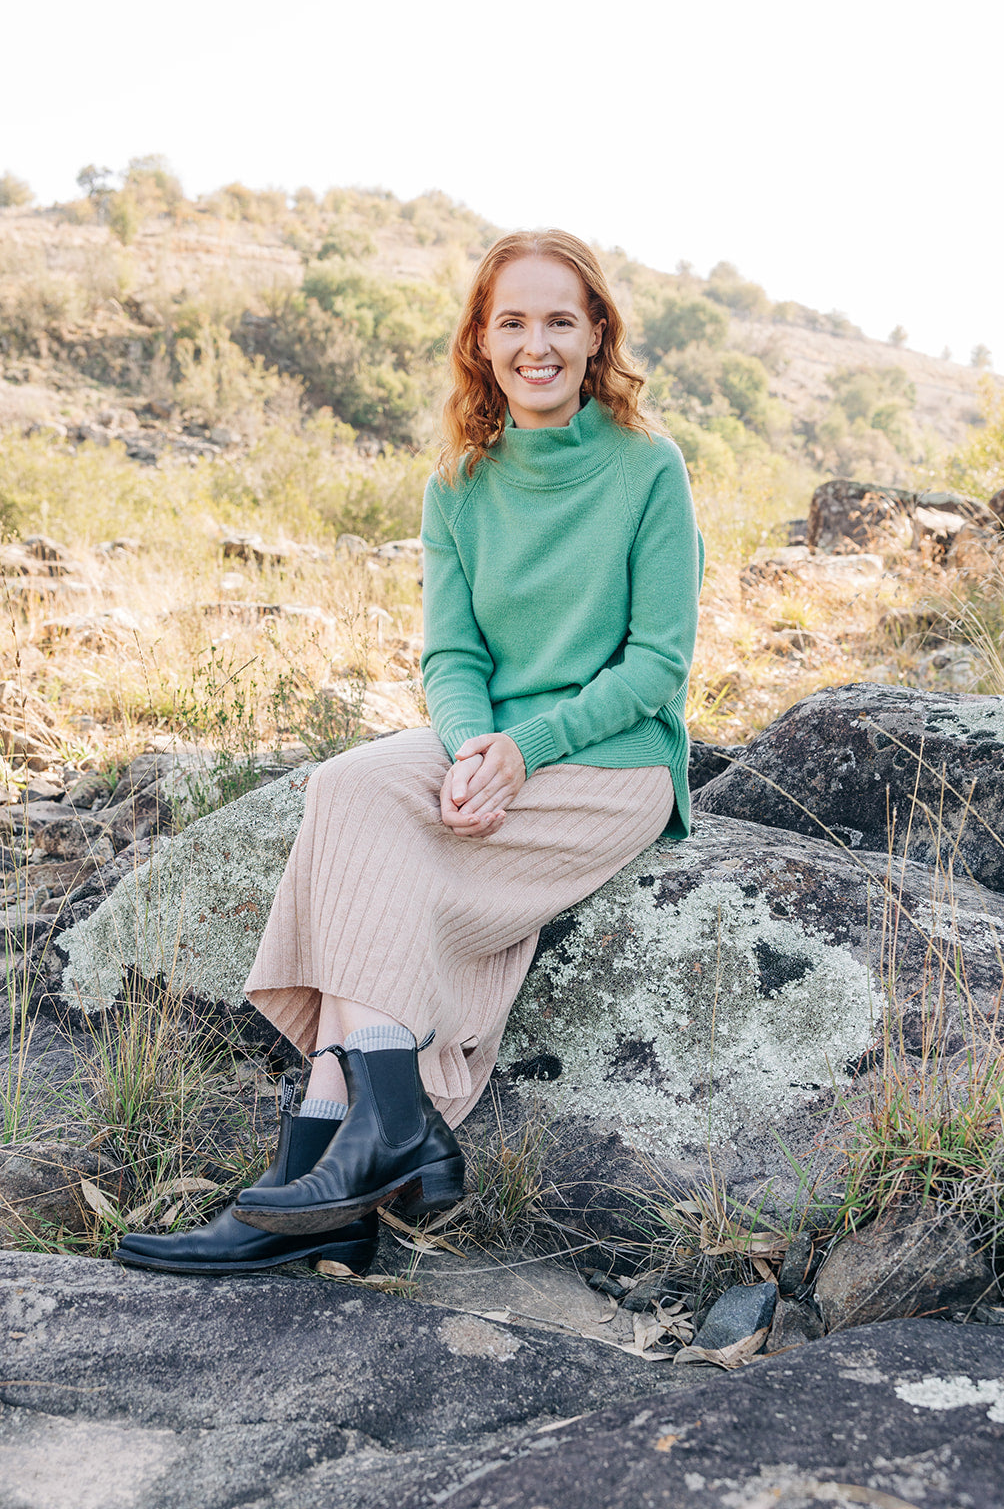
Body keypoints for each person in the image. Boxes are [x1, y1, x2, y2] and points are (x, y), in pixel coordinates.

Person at [115, 228, 704, 1275]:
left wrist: (518, 754)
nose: (536, 344)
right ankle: (368, 1140)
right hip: (490, 743)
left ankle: (327, 1157)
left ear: (595, 333)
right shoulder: (459, 482)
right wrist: (474, 744)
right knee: (346, 789)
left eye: (558, 320)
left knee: (384, 849)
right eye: (510, 322)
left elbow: (654, 667)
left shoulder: (646, 468)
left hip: (610, 759)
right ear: (478, 341)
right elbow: (449, 653)